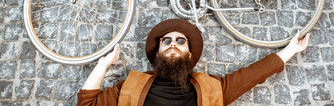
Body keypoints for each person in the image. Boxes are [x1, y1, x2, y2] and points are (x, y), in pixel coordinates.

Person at [77, 19, 310, 106]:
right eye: (166, 40)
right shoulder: (131, 84)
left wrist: (291, 50)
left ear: (189, 55)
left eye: (181, 41)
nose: (172, 43)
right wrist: (104, 64)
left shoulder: (210, 87)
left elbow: (253, 75)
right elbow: (87, 105)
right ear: (157, 52)